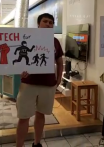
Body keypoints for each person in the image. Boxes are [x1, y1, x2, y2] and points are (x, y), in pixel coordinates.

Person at [16, 13, 63, 147]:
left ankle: (37, 143)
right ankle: (19, 145)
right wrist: (20, 71)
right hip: (28, 83)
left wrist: (59, 78)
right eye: (45, 22)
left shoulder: (55, 41)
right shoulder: (29, 39)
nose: (48, 24)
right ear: (39, 24)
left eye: (51, 22)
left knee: (41, 114)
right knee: (24, 117)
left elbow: (60, 61)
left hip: (48, 84)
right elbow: (18, 60)